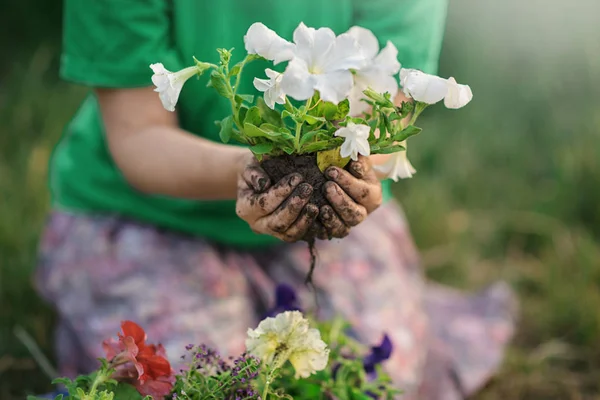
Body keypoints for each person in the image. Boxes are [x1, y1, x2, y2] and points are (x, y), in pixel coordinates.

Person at [35, 0, 516, 398]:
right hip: (147, 211)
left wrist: (357, 170)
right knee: (204, 383)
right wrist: (247, 172)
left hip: (322, 221)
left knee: (375, 382)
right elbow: (138, 134)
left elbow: (386, 108)